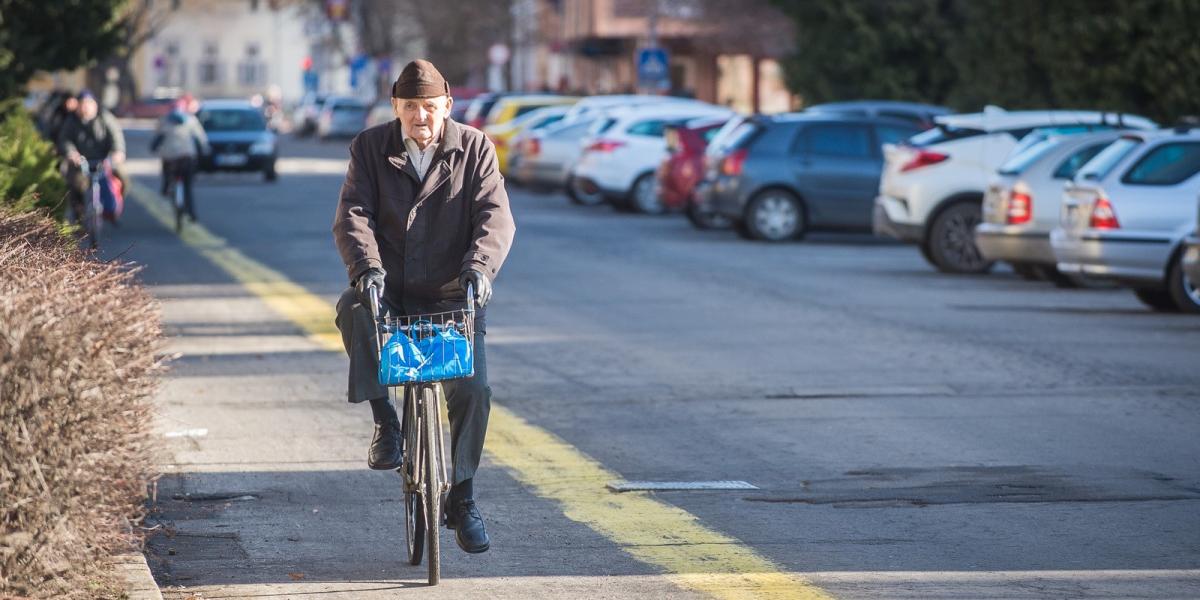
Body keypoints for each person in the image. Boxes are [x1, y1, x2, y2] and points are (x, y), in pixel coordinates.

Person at [332, 59, 515, 555]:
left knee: (473, 390)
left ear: (447, 107)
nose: (421, 117)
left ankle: (464, 496)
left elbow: (494, 216)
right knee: (352, 306)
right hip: (389, 290)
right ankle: (385, 423)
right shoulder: (370, 148)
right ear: (396, 107)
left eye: (430, 107)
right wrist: (367, 268)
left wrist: (479, 268)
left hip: (455, 295)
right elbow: (353, 213)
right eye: (410, 107)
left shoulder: (474, 148)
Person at [57, 91, 126, 220]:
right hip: (81, 162)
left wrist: (118, 151)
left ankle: (113, 209)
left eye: (89, 104)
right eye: (82, 104)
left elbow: (116, 135)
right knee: (74, 184)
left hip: (104, 160)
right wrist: (71, 153)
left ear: (95, 105)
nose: (86, 107)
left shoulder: (105, 117)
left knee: (123, 178)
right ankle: (79, 214)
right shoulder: (71, 121)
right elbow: (65, 140)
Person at [151, 96, 210, 221]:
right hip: (187, 157)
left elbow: (157, 139)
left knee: (167, 170)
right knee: (188, 186)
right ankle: (192, 214)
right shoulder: (191, 120)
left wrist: (153, 148)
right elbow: (201, 138)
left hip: (170, 157)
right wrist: (204, 151)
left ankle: (166, 188)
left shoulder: (164, 120)